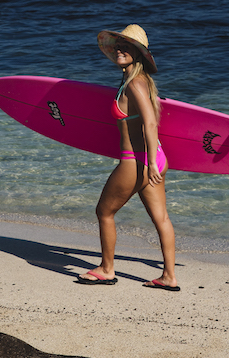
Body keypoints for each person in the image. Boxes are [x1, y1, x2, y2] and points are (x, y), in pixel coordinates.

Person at [76, 24, 179, 291]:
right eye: (118, 46)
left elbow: (150, 122)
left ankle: (107, 269)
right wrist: (156, 160)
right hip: (153, 158)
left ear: (139, 53)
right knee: (162, 219)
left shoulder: (134, 83)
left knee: (104, 212)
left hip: (137, 160)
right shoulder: (134, 80)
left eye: (127, 47)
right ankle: (168, 276)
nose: (120, 50)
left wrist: (150, 162)